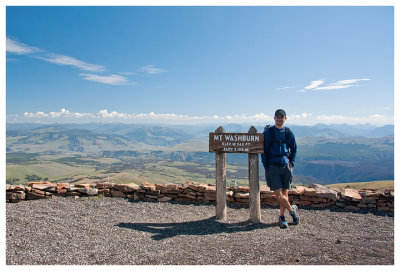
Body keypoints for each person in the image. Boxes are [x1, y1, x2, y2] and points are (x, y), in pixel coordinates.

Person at [261, 109, 299, 228]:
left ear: (285, 119)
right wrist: (266, 165)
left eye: (281, 117)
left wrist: (291, 162)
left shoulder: (288, 132)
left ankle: (282, 217)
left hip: (285, 165)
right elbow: (264, 150)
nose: (279, 119)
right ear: (274, 118)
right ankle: (292, 211)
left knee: (284, 193)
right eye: (277, 117)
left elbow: (294, 148)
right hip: (273, 165)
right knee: (278, 194)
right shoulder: (269, 132)